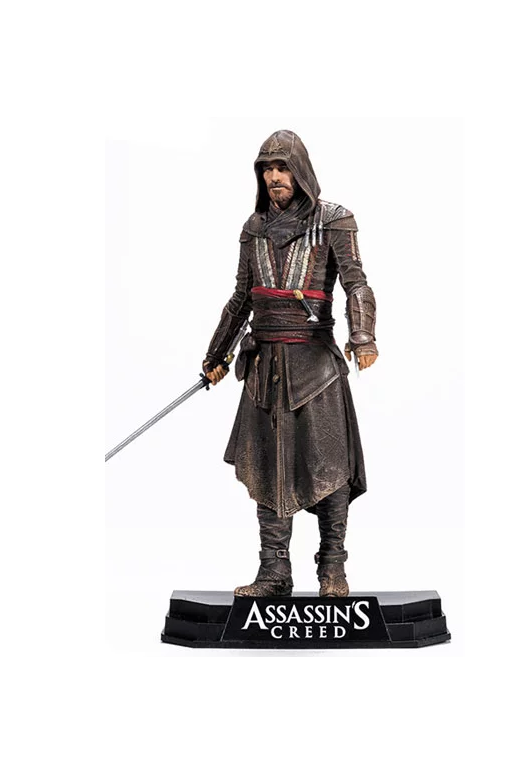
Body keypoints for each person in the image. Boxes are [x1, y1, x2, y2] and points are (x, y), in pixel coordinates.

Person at [203, 129, 378, 597]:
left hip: (316, 367)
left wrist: (363, 336)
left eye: (282, 167)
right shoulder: (254, 227)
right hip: (265, 368)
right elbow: (241, 298)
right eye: (267, 169)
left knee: (330, 465)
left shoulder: (334, 220)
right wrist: (215, 355)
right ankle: (274, 572)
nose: (274, 177)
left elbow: (357, 283)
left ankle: (332, 567)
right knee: (267, 468)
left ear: (300, 170)